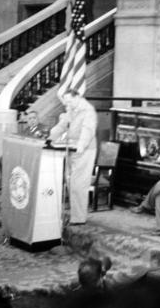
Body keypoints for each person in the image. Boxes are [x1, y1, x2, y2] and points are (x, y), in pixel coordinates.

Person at [48, 89, 97, 225]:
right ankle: (75, 215)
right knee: (70, 181)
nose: (67, 103)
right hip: (72, 148)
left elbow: (88, 131)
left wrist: (80, 146)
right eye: (66, 101)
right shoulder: (72, 109)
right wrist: (49, 138)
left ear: (77, 97)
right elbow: (62, 126)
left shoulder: (88, 110)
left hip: (85, 150)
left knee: (79, 183)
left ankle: (79, 218)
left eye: (69, 100)